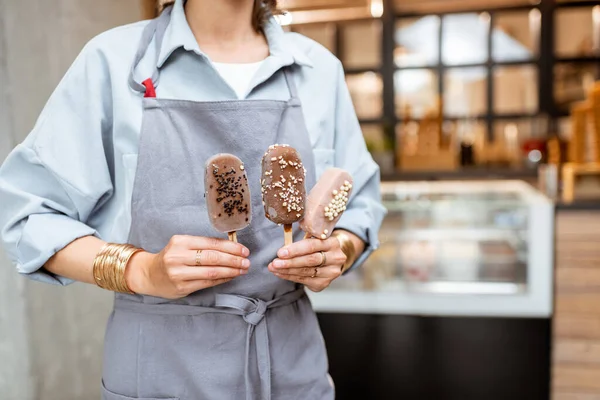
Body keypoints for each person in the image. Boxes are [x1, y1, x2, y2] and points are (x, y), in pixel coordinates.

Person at [0, 0, 385, 399]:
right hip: (160, 370)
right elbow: (29, 216)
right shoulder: (113, 62)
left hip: (292, 366)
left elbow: (360, 207)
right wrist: (140, 270)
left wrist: (336, 249)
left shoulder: (318, 69)